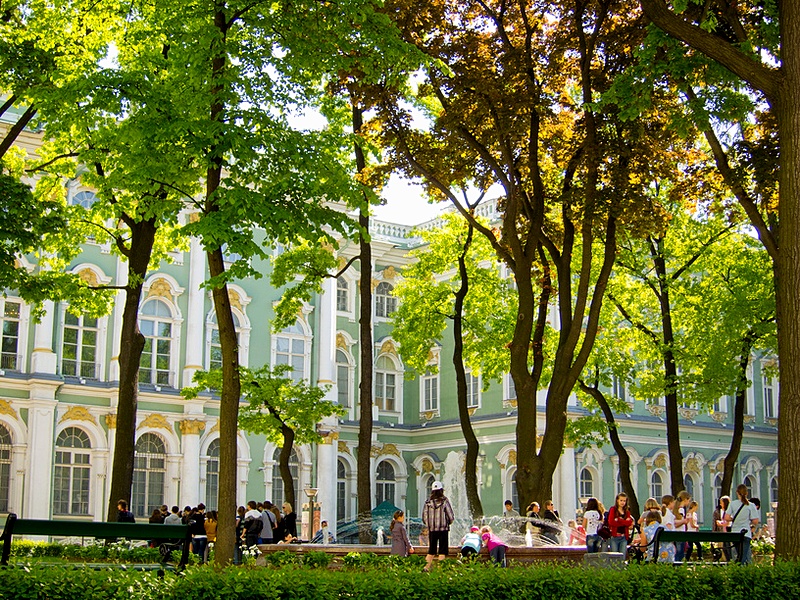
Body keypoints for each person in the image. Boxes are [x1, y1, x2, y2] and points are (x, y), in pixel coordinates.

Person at [421, 480, 454, 572]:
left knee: (431, 550)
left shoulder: (427, 502)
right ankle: (440, 571)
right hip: (443, 529)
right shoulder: (444, 501)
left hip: (432, 529)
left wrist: (429, 525)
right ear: (441, 490)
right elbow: (450, 515)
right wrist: (448, 523)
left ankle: (425, 568)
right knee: (442, 551)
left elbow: (424, 516)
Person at [725, 483, 760, 564]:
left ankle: (738, 569)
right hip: (746, 533)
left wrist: (733, 519)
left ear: (737, 493)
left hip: (735, 533)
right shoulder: (751, 505)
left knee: (738, 555)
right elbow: (755, 521)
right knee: (743, 555)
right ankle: (742, 570)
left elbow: (726, 518)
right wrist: (750, 522)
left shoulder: (732, 504)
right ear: (747, 493)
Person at [672, 490, 691, 561]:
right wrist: (684, 521)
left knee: (678, 552)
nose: (689, 502)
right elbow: (677, 523)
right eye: (688, 500)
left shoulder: (675, 509)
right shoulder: (681, 510)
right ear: (685, 499)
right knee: (679, 553)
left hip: (676, 533)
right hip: (680, 532)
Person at [713, 495, 731, 561]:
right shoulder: (717, 511)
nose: (720, 504)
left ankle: (729, 560)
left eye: (721, 502)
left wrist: (721, 523)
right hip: (722, 532)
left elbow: (729, 522)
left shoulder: (729, 511)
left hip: (728, 532)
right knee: (723, 548)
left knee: (728, 548)